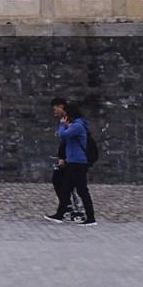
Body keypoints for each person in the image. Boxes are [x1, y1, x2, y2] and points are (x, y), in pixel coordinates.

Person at [49, 97, 97, 226]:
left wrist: (62, 124)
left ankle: (91, 218)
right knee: (67, 189)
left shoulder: (77, 126)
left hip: (78, 162)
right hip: (74, 161)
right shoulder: (75, 125)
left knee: (81, 190)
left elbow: (63, 135)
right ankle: (60, 215)